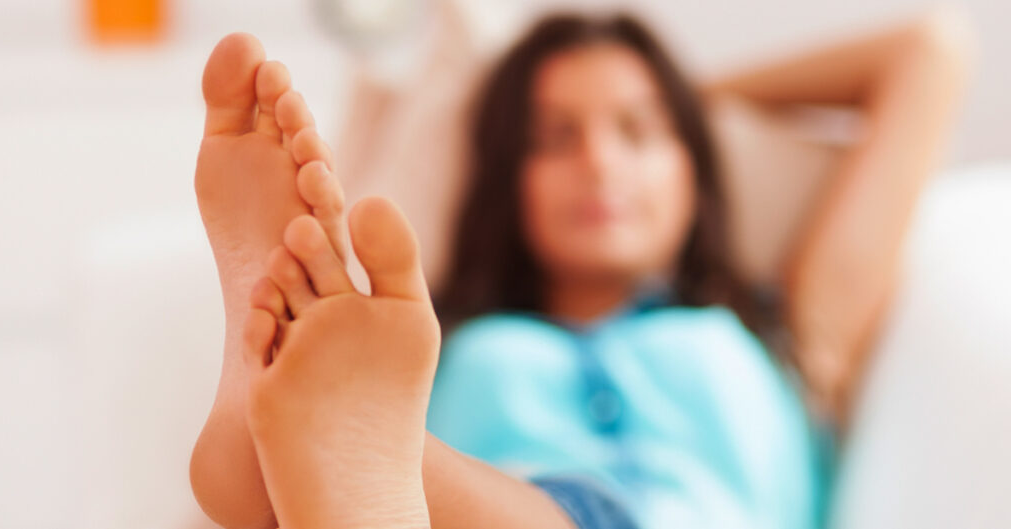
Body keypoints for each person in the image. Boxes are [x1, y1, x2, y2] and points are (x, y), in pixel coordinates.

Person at [188, 8, 972, 529]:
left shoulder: (796, 327)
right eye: (556, 137)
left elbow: (927, 54)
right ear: (507, 178)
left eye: (637, 132)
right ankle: (317, 448)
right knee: (374, 413)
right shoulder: (431, 335)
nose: (598, 162)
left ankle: (309, 442)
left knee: (370, 426)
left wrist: (691, 102)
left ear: (692, 164)